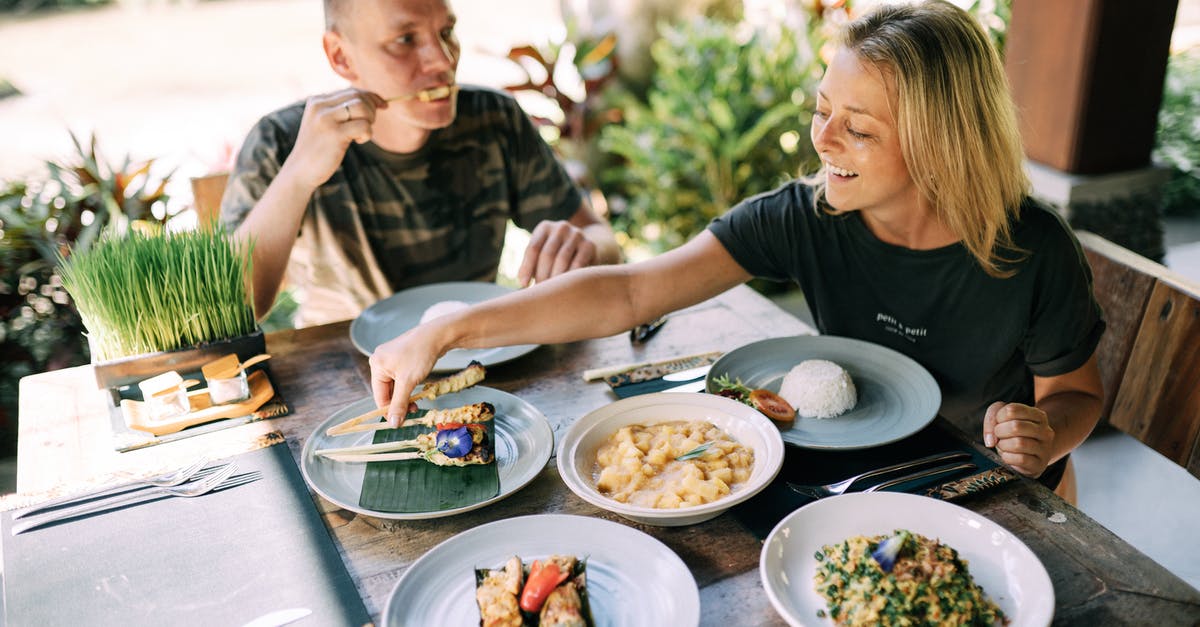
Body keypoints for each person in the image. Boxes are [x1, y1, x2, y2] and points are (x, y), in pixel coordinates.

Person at [367, 0, 1105, 500]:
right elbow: (630, 292)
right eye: (822, 111)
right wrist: (448, 330)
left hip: (996, 490)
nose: (822, 140)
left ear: (940, 143)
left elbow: (1078, 395)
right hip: (862, 474)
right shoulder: (806, 214)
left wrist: (1044, 433)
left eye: (860, 129)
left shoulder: (1032, 250)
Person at [220, 0, 621, 326]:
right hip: (346, 369)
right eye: (406, 40)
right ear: (341, 56)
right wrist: (297, 176)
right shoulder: (283, 142)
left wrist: (581, 247)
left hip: (479, 350)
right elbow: (234, 305)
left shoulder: (492, 119)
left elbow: (601, 239)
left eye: (446, 33)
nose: (443, 61)